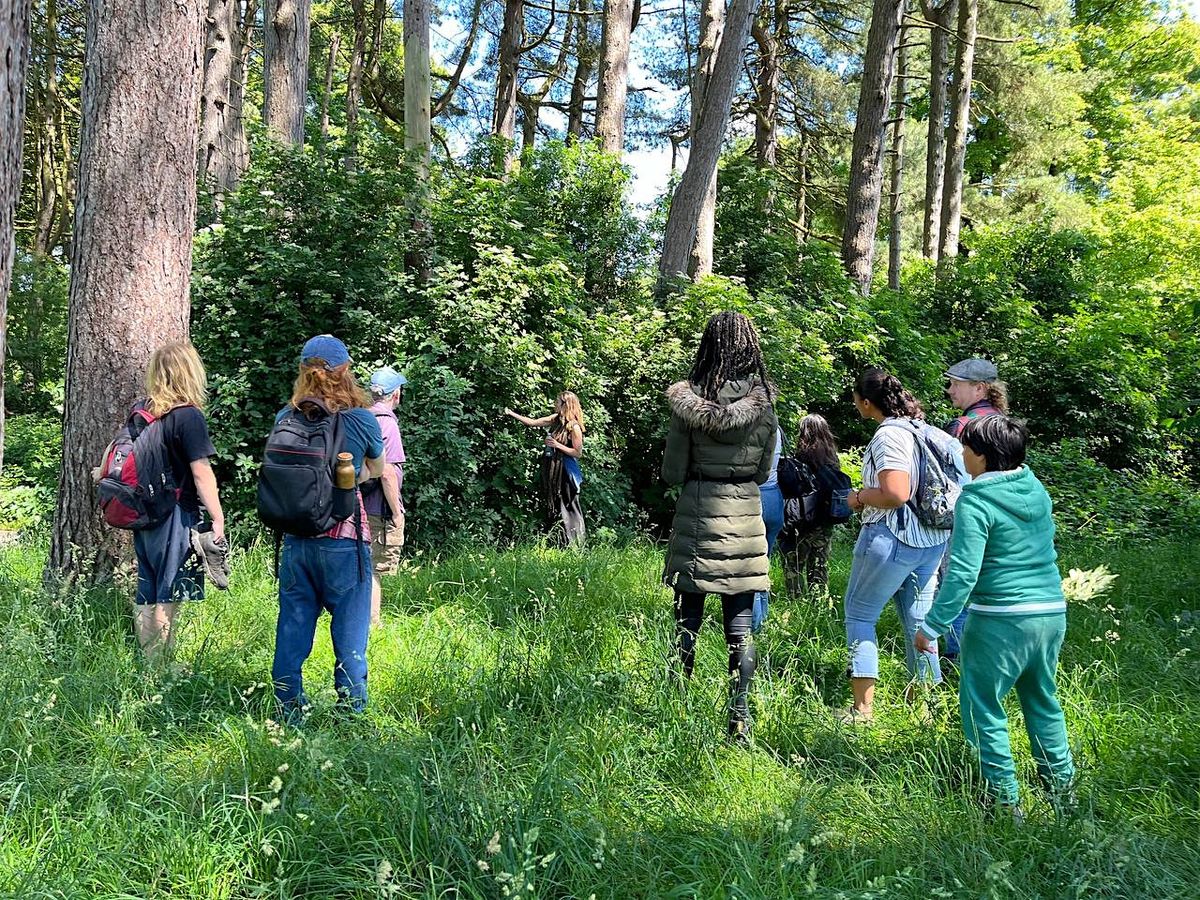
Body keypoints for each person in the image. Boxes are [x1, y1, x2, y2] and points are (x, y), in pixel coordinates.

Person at [915, 416, 1074, 816]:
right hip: (1050, 612)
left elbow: (963, 572)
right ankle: (1064, 794)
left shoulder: (977, 499)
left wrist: (932, 626)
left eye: (966, 449)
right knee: (1043, 701)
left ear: (983, 457)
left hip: (1001, 619)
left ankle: (1005, 803)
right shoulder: (1035, 488)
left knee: (983, 707)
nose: (962, 455)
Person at [661, 311, 779, 742]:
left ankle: (676, 705)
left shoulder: (687, 401)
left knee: (687, 618)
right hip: (745, 516)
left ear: (707, 345)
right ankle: (739, 719)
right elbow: (765, 472)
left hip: (698, 513)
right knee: (740, 624)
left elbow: (672, 471)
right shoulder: (765, 404)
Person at [271, 335, 386, 720]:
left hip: (296, 538)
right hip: (344, 539)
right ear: (345, 373)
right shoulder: (361, 419)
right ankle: (350, 715)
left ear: (304, 374)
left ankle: (287, 712)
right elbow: (378, 470)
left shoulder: (285, 417)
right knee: (351, 634)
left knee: (292, 630)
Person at [841, 368, 948, 722]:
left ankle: (862, 711)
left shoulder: (888, 435)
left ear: (867, 402)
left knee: (860, 615)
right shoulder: (930, 432)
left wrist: (857, 497)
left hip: (892, 537)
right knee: (920, 623)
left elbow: (896, 493)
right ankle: (926, 709)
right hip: (933, 540)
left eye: (856, 399)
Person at [119, 342, 227, 663]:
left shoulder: (142, 410)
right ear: (191, 372)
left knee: (147, 590)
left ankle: (149, 663)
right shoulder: (188, 416)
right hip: (176, 516)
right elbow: (201, 472)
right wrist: (217, 519)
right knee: (169, 594)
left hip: (144, 514)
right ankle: (161, 671)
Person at [942, 357, 1008, 660]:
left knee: (959, 584)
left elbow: (950, 480)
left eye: (957, 384)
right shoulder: (1007, 424)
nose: (950, 390)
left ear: (979, 388)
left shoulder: (962, 427)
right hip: (1004, 517)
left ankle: (958, 661)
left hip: (969, 513)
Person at [504, 392, 586, 546]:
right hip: (554, 471)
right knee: (556, 505)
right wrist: (511, 413)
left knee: (570, 507)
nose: (555, 404)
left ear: (565, 405)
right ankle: (559, 543)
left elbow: (578, 452)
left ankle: (577, 546)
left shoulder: (574, 427)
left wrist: (557, 445)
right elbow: (532, 422)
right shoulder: (556, 420)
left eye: (557, 402)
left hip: (567, 472)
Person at [779, 414, 843, 597]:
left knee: (793, 566)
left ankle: (795, 601)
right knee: (819, 568)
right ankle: (819, 604)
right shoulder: (832, 459)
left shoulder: (800, 458)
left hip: (801, 522)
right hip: (824, 521)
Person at [364, 366, 406, 627]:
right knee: (373, 569)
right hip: (378, 508)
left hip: (357, 504)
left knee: (360, 564)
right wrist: (396, 512)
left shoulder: (362, 418)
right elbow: (388, 473)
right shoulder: (387, 423)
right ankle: (372, 624)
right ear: (396, 394)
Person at [750, 425, 785, 633]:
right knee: (764, 563)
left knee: (750, 566)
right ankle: (763, 619)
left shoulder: (751, 427)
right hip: (775, 497)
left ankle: (752, 627)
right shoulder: (776, 426)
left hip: (756, 497)